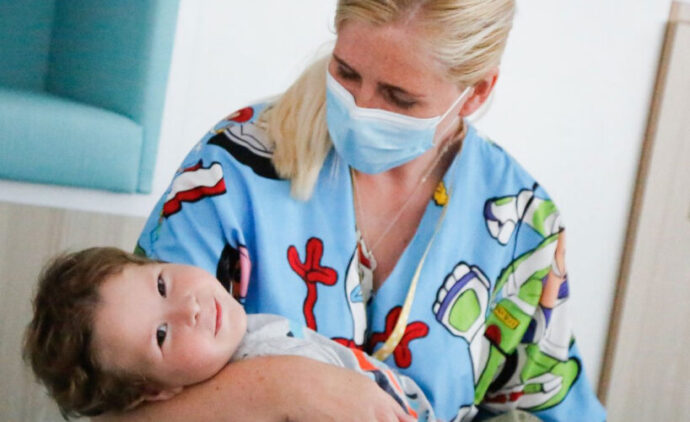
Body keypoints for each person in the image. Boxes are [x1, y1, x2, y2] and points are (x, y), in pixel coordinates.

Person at [113, 0, 607, 420]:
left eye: (399, 98)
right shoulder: (235, 165)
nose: (360, 107)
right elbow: (115, 406)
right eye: (346, 72)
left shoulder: (521, 225)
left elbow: (551, 407)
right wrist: (283, 386)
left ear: (476, 92)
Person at [23, 247, 432, 421]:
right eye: (161, 335)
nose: (189, 308)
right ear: (154, 392)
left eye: (163, 285)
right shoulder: (261, 368)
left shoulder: (252, 337)